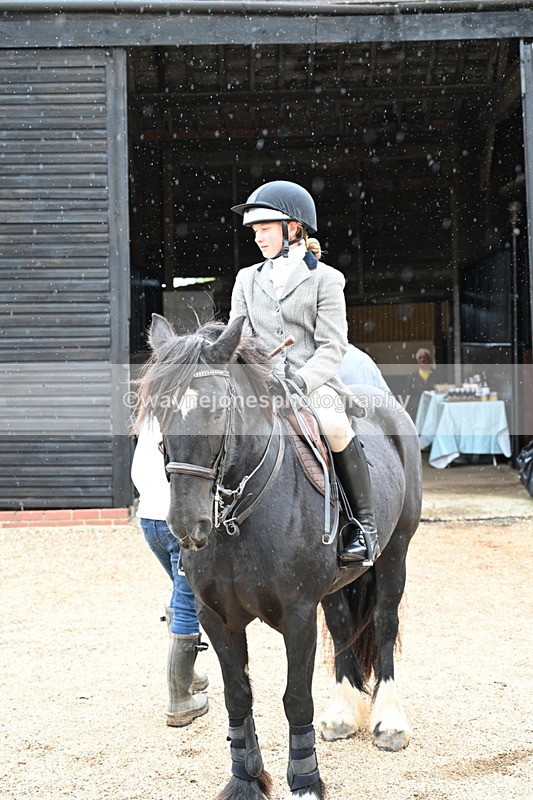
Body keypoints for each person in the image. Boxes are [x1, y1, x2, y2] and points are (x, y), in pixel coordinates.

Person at [229, 180, 379, 565]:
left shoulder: (326, 279)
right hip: (260, 383)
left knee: (335, 426)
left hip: (312, 382)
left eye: (265, 229)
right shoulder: (247, 278)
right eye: (256, 231)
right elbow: (236, 334)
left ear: (292, 228)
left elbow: (333, 347)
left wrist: (298, 381)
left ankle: (363, 526)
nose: (258, 238)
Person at [131, 417, 209, 727]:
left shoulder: (152, 411)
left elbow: (138, 473)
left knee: (180, 594)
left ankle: (188, 674)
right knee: (186, 603)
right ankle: (180, 700)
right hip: (177, 522)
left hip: (149, 521)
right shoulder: (188, 415)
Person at [404, 347, 444, 419]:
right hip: (416, 411)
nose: (423, 360)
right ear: (418, 361)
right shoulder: (413, 376)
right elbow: (408, 394)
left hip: (432, 408)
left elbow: (440, 391)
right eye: (420, 358)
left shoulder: (436, 375)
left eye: (425, 358)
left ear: (430, 360)